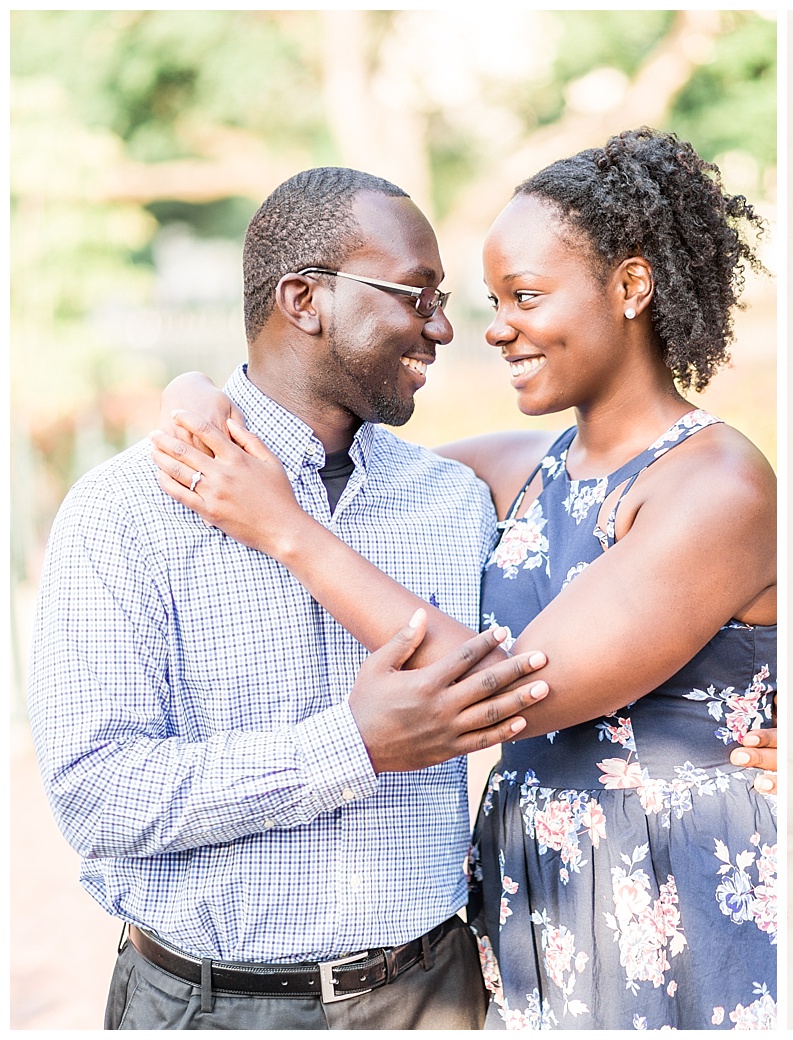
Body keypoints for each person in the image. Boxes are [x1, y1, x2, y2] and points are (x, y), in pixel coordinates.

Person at [151, 128, 777, 1030]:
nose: (490, 328)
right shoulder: (523, 468)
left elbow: (507, 694)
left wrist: (282, 530)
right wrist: (194, 395)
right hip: (540, 903)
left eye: (525, 295)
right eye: (492, 299)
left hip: (677, 893)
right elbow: (338, 465)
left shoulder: (718, 485)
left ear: (631, 287)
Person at [28, 167, 555, 1030]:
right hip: (208, 1008)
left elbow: (606, 603)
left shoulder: (456, 500)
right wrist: (350, 748)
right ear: (304, 299)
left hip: (432, 997)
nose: (443, 328)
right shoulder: (123, 511)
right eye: (415, 294)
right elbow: (96, 795)